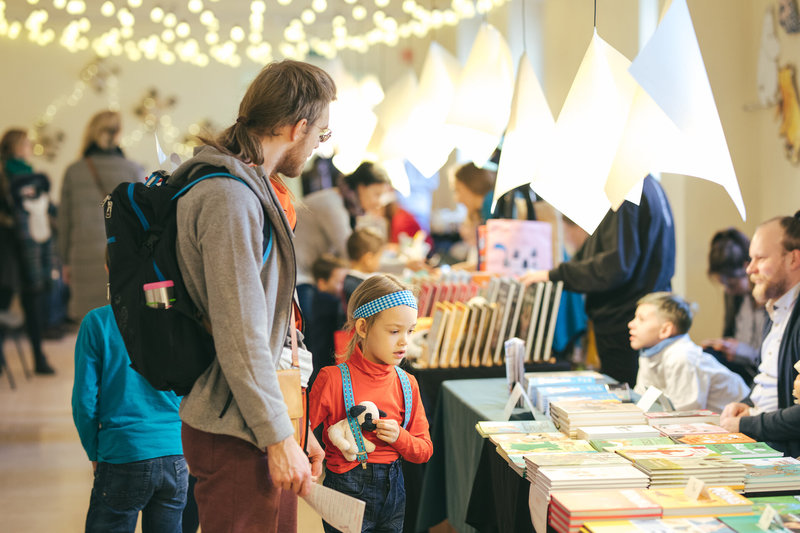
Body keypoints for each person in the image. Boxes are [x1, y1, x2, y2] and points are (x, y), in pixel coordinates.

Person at [166, 60, 336, 532]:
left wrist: (294, 425)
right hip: (237, 428)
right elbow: (240, 332)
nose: (319, 145)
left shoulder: (252, 188)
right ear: (297, 128)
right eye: (321, 133)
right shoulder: (230, 196)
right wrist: (279, 434)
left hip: (260, 420)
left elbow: (270, 324)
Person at [520, 175, 675, 387]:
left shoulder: (626, 191)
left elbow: (614, 267)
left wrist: (555, 275)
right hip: (638, 315)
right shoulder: (650, 187)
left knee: (625, 401)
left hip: (624, 321)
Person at [309, 274, 433, 533]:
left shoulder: (407, 384)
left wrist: (399, 437)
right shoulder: (331, 379)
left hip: (394, 494)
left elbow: (424, 450)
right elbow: (301, 434)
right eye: (394, 331)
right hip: (345, 494)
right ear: (363, 328)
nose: (404, 342)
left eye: (410, 331)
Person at [71, 302, 186, 532]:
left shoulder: (98, 321)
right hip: (175, 454)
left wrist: (94, 451)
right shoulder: (178, 317)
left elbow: (84, 401)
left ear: (108, 268)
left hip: (122, 452)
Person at [720, 214, 800, 457]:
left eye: (761, 258)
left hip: (783, 450)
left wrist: (746, 425)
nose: (749, 269)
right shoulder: (774, 308)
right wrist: (746, 403)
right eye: (750, 258)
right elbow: (766, 379)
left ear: (793, 259)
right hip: (764, 437)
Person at [58, 110, 144, 322]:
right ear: (117, 134)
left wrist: (63, 261)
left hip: (82, 257)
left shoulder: (73, 171)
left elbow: (64, 221)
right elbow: (142, 219)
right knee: (124, 325)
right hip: (122, 255)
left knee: (90, 325)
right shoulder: (133, 169)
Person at [294, 161, 390, 318]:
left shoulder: (347, 205)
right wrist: (399, 268)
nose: (379, 202)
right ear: (361, 187)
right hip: (299, 277)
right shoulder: (332, 205)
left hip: (309, 274)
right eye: (377, 194)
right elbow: (353, 254)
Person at [629, 292, 749, 412]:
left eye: (641, 319)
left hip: (737, 418)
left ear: (665, 330)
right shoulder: (648, 353)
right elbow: (642, 398)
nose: (631, 324)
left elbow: (686, 414)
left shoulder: (683, 356)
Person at [0, 128, 56, 374]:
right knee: (3, 301)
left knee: (33, 302)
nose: (29, 146)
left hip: (33, 248)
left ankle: (39, 358)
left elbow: (47, 208)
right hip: (8, 250)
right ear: (13, 146)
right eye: (24, 143)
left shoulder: (34, 177)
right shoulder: (3, 175)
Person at [702, 228, 765, 386]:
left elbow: (772, 355)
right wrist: (724, 345)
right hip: (740, 366)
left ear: (747, 268)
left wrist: (741, 351)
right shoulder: (736, 297)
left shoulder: (770, 297)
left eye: (731, 284)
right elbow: (730, 333)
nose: (727, 290)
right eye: (722, 284)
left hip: (757, 370)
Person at [307, 253, 348, 387]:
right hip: (323, 361)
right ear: (322, 283)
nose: (343, 287)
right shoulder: (327, 301)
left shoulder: (315, 298)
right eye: (340, 282)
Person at [344, 227, 386, 306]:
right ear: (368, 259)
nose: (380, 262)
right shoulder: (362, 288)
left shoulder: (349, 280)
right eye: (379, 257)